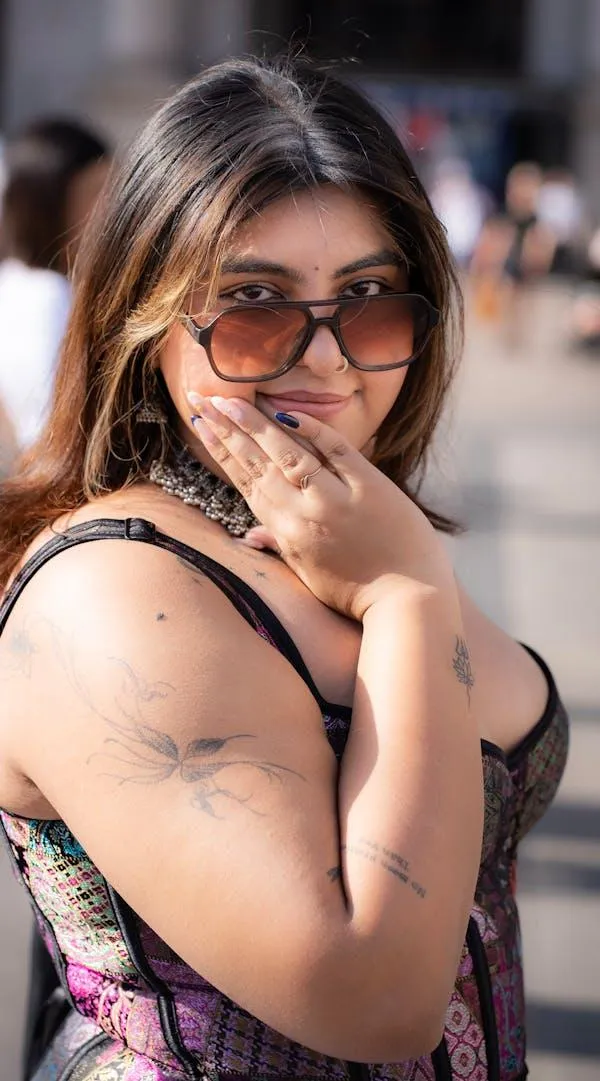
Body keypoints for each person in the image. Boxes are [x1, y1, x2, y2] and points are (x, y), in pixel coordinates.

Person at [0, 57, 568, 1081]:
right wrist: (405, 596)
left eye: (369, 298)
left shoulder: (347, 528)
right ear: (143, 319)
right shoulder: (111, 596)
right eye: (254, 302)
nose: (329, 358)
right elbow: (376, 994)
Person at [0, 117, 109, 454]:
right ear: (51, 201)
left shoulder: (19, 282)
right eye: (95, 191)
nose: (108, 207)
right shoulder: (45, 297)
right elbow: (48, 430)